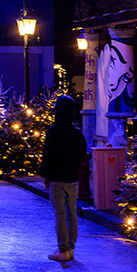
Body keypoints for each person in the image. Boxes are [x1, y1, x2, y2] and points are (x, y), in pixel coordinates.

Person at [39, 95, 88, 263]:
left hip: (57, 179)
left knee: (60, 214)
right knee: (71, 214)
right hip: (72, 179)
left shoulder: (53, 132)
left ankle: (63, 249)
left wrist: (45, 174)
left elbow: (48, 156)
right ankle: (71, 248)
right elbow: (82, 155)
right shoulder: (77, 133)